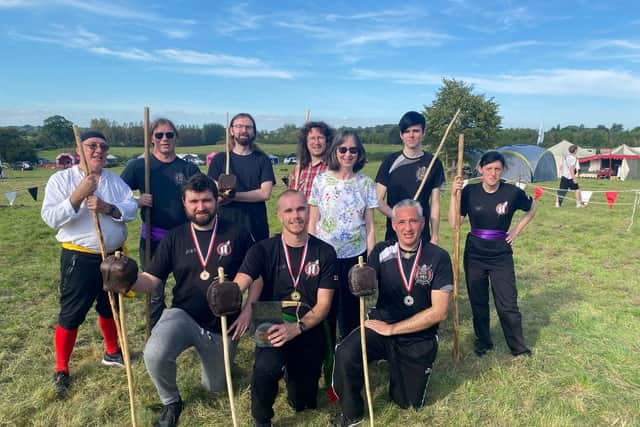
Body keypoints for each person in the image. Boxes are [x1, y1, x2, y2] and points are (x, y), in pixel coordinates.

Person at [125, 174, 258, 427]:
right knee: (154, 353)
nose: (200, 207)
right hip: (183, 315)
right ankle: (171, 402)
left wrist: (247, 311)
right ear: (184, 203)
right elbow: (152, 280)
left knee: (215, 388)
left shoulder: (237, 232)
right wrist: (128, 281)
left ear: (216, 200)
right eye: (194, 201)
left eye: (206, 200)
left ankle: (217, 360)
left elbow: (257, 275)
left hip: (223, 323)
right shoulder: (174, 237)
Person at [332, 199, 453, 427]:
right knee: (346, 351)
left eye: (413, 221)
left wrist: (393, 329)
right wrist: (358, 281)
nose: (408, 228)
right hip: (381, 326)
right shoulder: (381, 251)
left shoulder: (438, 257)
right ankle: (351, 413)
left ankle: (399, 368)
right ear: (393, 225)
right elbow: (365, 285)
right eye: (402, 222)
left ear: (423, 223)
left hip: (418, 336)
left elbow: (439, 312)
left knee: (408, 404)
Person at [41, 130, 138, 399]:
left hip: (114, 256)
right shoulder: (61, 180)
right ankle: (61, 368)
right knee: (72, 312)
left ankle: (112, 351)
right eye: (92, 146)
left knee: (111, 307)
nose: (98, 151)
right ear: (78, 147)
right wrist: (77, 196)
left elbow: (130, 208)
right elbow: (50, 217)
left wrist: (109, 208)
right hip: (80, 256)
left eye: (103, 147)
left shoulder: (115, 182)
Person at [233, 190, 338, 427]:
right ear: (279, 215)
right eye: (289, 210)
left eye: (301, 209)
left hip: (306, 318)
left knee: (303, 402)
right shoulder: (262, 249)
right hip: (270, 313)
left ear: (309, 211)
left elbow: (323, 306)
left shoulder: (325, 252)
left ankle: (294, 372)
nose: (296, 216)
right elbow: (242, 280)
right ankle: (261, 419)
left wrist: (296, 328)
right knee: (266, 368)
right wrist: (229, 292)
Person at [448, 151, 537, 357]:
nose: (493, 173)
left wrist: (516, 230)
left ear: (503, 170)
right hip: (475, 253)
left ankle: (518, 347)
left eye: (497, 169)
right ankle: (483, 342)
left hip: (501, 254)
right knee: (478, 302)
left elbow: (532, 208)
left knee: (507, 303)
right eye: (489, 169)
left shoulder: (512, 193)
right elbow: (454, 224)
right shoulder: (469, 191)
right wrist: (454, 195)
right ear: (480, 169)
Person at [121, 118, 201, 328]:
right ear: (151, 139)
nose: (164, 139)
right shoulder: (139, 166)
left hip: (186, 240)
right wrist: (138, 201)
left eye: (169, 135)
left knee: (190, 290)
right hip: (153, 241)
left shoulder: (188, 169)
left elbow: (204, 194)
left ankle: (189, 331)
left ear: (176, 138)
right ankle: (156, 336)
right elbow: (116, 194)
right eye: (159, 135)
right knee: (155, 293)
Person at [309, 130, 377, 340]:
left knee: (352, 310)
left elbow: (371, 226)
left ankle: (351, 350)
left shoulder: (366, 183)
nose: (348, 154)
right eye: (343, 149)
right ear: (335, 151)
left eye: (353, 150)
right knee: (326, 306)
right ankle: (326, 354)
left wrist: (370, 260)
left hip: (355, 256)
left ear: (359, 153)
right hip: (325, 256)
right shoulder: (321, 181)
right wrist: (311, 254)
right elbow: (312, 220)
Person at [375, 111, 445, 243]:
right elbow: (378, 199)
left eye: (416, 131)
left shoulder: (433, 162)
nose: (411, 135)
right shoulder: (390, 161)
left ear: (423, 133)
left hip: (421, 234)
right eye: (407, 131)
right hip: (394, 233)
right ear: (401, 135)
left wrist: (435, 235)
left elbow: (435, 203)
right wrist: (398, 217)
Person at [207, 113, 275, 242]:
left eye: (248, 127)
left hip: (255, 226)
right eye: (239, 126)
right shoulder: (220, 159)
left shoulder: (262, 159)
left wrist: (233, 195)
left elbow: (265, 193)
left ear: (254, 132)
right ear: (231, 131)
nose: (244, 130)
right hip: (224, 226)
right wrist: (222, 196)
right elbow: (214, 195)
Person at [288, 121, 334, 198]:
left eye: (320, 138)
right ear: (305, 142)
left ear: (328, 141)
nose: (316, 142)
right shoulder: (298, 170)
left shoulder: (333, 168)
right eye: (312, 138)